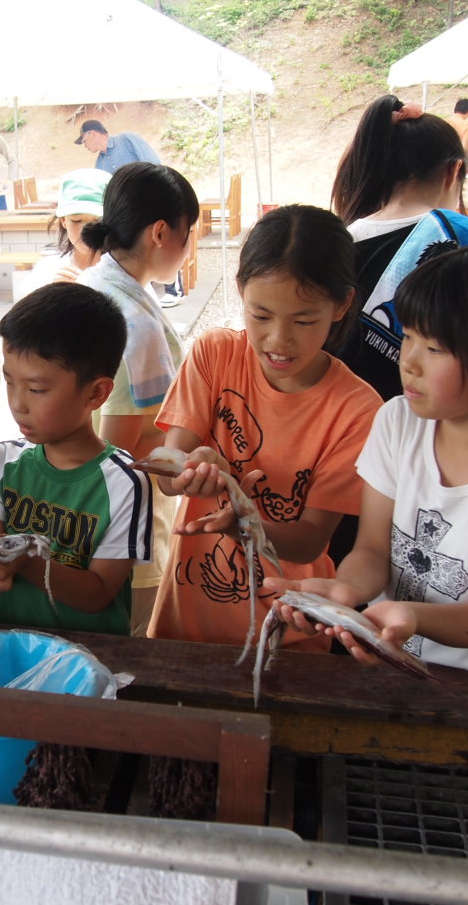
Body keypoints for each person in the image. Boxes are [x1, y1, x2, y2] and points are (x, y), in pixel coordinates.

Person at [273, 244, 468, 674]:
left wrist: (411, 616)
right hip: (387, 663)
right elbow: (372, 550)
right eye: (409, 337)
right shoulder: (398, 422)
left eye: (435, 348)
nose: (409, 362)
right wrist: (346, 591)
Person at [147, 205, 382, 648]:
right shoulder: (215, 354)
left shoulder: (357, 410)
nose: (278, 340)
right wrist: (193, 467)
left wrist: (247, 521)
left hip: (289, 635)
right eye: (260, 316)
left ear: (342, 304)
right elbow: (167, 475)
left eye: (303, 321)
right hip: (187, 622)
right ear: (240, 291)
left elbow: (310, 540)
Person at [0, 283, 153, 634]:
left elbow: (97, 594)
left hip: (93, 654)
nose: (17, 403)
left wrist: (26, 563)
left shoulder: (125, 482)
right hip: (16, 646)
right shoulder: (4, 462)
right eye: (9, 382)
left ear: (96, 393)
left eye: (36, 389)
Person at [330, 95, 468, 402]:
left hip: (338, 416)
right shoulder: (467, 245)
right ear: (453, 171)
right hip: (429, 421)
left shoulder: (338, 240)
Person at [76, 162, 197, 636]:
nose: (190, 247)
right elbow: (120, 450)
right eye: (189, 233)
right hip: (126, 530)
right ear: (161, 233)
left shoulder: (92, 285)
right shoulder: (136, 323)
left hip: (83, 514)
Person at [23, 167, 109, 294]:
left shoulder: (126, 271)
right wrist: (52, 294)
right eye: (76, 220)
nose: (86, 231)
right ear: (63, 220)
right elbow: (25, 306)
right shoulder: (46, 271)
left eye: (97, 220)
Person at [75, 119, 160, 175]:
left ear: (92, 134)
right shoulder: (99, 164)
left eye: (84, 141)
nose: (84, 146)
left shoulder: (126, 139)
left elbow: (154, 165)